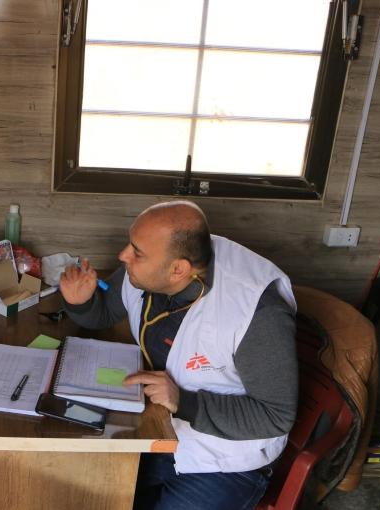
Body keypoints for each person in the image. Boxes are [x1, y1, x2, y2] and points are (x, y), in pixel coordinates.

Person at [59, 201, 297, 510]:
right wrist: (80, 303)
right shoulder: (152, 268)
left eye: (136, 252)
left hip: (225, 462)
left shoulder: (257, 312)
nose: (123, 256)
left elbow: (275, 416)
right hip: (158, 432)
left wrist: (183, 401)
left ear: (178, 270)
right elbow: (105, 312)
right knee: (80, 489)